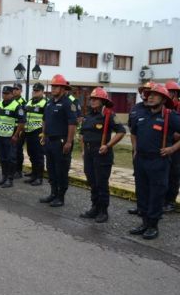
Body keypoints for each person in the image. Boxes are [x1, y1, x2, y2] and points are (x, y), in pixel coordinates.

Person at [129, 84, 180, 240]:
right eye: (149, 94)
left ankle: (153, 226)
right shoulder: (141, 113)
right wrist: (135, 149)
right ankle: (144, 223)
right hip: (141, 160)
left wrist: (172, 149)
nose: (150, 97)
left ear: (164, 99)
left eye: (155, 95)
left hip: (158, 161)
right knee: (142, 192)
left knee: (156, 194)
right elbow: (134, 132)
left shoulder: (170, 116)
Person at [79, 88, 126, 223]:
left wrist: (108, 145)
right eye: (92, 99)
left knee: (101, 183)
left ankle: (103, 211)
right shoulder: (88, 116)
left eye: (96, 99)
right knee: (92, 181)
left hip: (102, 154)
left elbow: (121, 132)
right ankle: (94, 207)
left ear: (103, 101)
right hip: (88, 153)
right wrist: (83, 150)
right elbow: (82, 134)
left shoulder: (109, 115)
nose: (92, 101)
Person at [40, 74, 77, 207]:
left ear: (63, 88)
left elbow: (72, 123)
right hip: (49, 141)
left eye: (56, 86)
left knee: (61, 170)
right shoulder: (49, 102)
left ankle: (60, 197)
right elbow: (44, 119)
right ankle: (53, 193)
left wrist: (69, 142)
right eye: (53, 86)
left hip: (61, 142)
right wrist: (43, 134)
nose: (53, 89)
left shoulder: (68, 103)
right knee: (51, 169)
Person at [127, 82, 152, 216]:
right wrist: (135, 148)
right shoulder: (136, 108)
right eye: (143, 91)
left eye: (148, 91)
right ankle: (140, 206)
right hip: (138, 150)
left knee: (151, 181)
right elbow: (132, 130)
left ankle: (150, 209)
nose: (145, 93)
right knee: (139, 179)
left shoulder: (159, 109)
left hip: (154, 152)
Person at [0, 86, 25, 188]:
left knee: (10, 158)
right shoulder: (0, 105)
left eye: (7, 93)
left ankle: (10, 179)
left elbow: (22, 122)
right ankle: (4, 177)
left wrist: (16, 135)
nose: (4, 95)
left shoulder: (17, 106)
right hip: (0, 136)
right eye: (3, 93)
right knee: (2, 158)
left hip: (10, 137)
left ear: (12, 94)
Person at [23, 83, 47, 186]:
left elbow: (46, 119)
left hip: (38, 132)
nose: (35, 92)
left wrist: (44, 133)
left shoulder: (45, 103)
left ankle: (39, 177)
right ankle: (34, 174)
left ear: (42, 92)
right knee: (31, 154)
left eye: (37, 91)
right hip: (28, 131)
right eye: (34, 90)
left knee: (38, 155)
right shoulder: (29, 102)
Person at [163, 80, 180, 212]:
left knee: (174, 173)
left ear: (175, 93)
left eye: (169, 92)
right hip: (165, 143)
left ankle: (170, 201)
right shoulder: (164, 108)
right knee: (164, 172)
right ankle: (162, 199)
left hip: (176, 146)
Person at [11, 83, 26, 178]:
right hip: (11, 128)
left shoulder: (23, 102)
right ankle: (12, 169)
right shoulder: (11, 100)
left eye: (17, 89)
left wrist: (21, 130)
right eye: (14, 89)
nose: (14, 91)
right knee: (11, 150)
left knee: (18, 150)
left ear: (21, 91)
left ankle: (18, 170)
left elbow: (23, 118)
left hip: (19, 128)